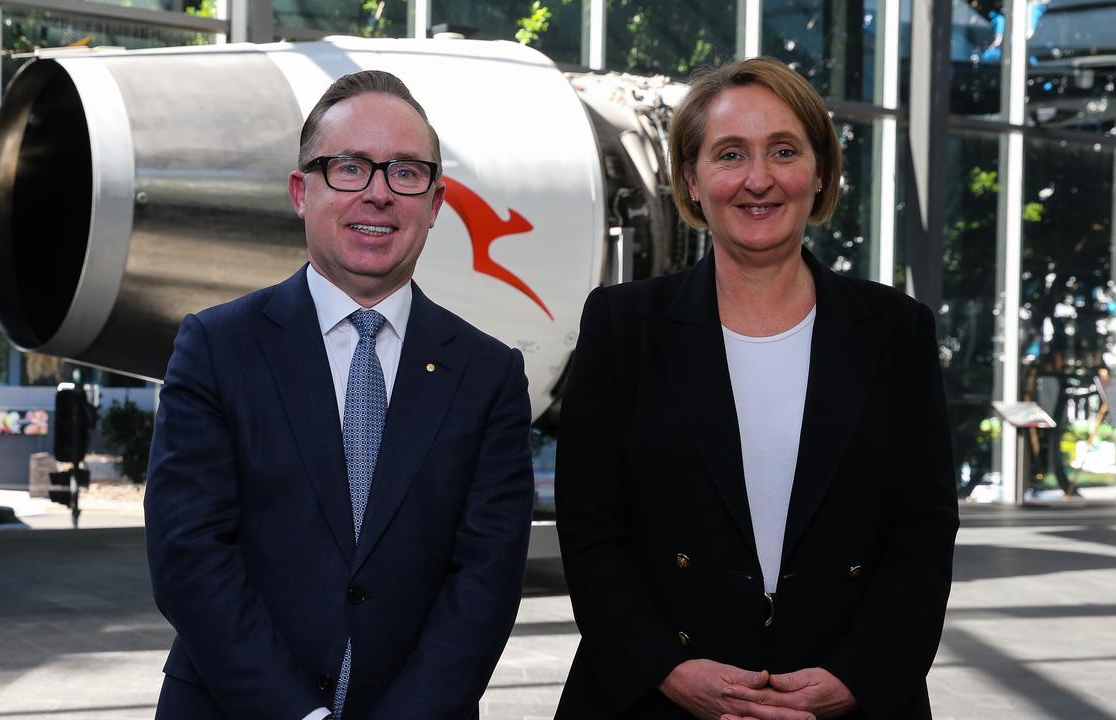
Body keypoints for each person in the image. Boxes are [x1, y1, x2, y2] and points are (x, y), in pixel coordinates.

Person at [554, 57, 959, 720]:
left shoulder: (895, 331)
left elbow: (924, 531)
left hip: (845, 698)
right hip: (656, 699)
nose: (759, 179)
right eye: (731, 154)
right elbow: (591, 530)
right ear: (691, 176)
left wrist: (853, 676)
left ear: (820, 170)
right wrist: (671, 668)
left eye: (784, 150)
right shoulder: (622, 324)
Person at [144, 69, 535, 720]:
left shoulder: (488, 375)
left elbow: (486, 582)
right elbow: (189, 557)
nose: (378, 194)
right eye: (350, 167)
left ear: (436, 204)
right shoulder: (216, 348)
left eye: (406, 172)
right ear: (302, 191)